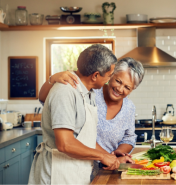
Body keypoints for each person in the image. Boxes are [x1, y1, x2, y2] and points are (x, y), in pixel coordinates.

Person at [39, 57, 145, 180]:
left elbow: (129, 137)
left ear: (132, 90)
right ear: (111, 75)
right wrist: (52, 79)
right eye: (118, 81)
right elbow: (44, 98)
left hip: (108, 166)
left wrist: (115, 155)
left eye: (127, 87)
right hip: (74, 164)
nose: (120, 89)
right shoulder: (91, 92)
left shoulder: (129, 107)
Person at [28, 44, 120, 185]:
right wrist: (102, 156)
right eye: (109, 76)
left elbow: (84, 139)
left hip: (75, 171)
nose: (109, 80)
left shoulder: (89, 93)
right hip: (58, 174)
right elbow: (65, 144)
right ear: (95, 75)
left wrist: (112, 157)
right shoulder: (65, 92)